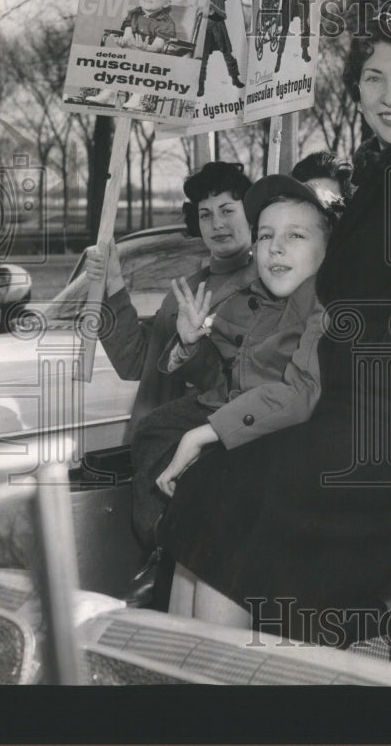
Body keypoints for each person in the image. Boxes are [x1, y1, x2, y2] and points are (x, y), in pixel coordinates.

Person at [160, 4, 391, 641]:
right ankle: (183, 683)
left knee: (251, 487)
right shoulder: (381, 177)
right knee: (215, 486)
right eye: (371, 77)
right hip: (361, 405)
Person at [85, 162, 256, 557]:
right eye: (205, 213)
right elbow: (136, 362)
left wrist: (189, 349)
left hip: (216, 452)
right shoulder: (189, 288)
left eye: (228, 209)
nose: (217, 223)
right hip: (161, 452)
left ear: (252, 211)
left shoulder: (267, 285)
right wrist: (112, 284)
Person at [141, 175, 337, 507]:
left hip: (280, 434)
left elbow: (303, 389)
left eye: (296, 235)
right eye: (265, 235)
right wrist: (190, 343)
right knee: (154, 431)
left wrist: (205, 433)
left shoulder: (325, 302)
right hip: (238, 414)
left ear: (331, 247)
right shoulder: (254, 296)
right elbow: (225, 371)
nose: (275, 246)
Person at [87, 0, 178, 111]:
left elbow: (158, 47)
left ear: (166, 3)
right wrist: (124, 43)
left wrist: (145, 47)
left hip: (154, 59)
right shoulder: (134, 14)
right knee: (118, 60)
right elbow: (127, 36)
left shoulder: (165, 23)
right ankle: (108, 93)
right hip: (133, 54)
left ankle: (139, 98)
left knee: (144, 62)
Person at [197, 0, 245, 97]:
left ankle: (235, 78)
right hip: (206, 27)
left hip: (218, 25)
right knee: (203, 58)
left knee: (228, 53)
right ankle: (200, 85)